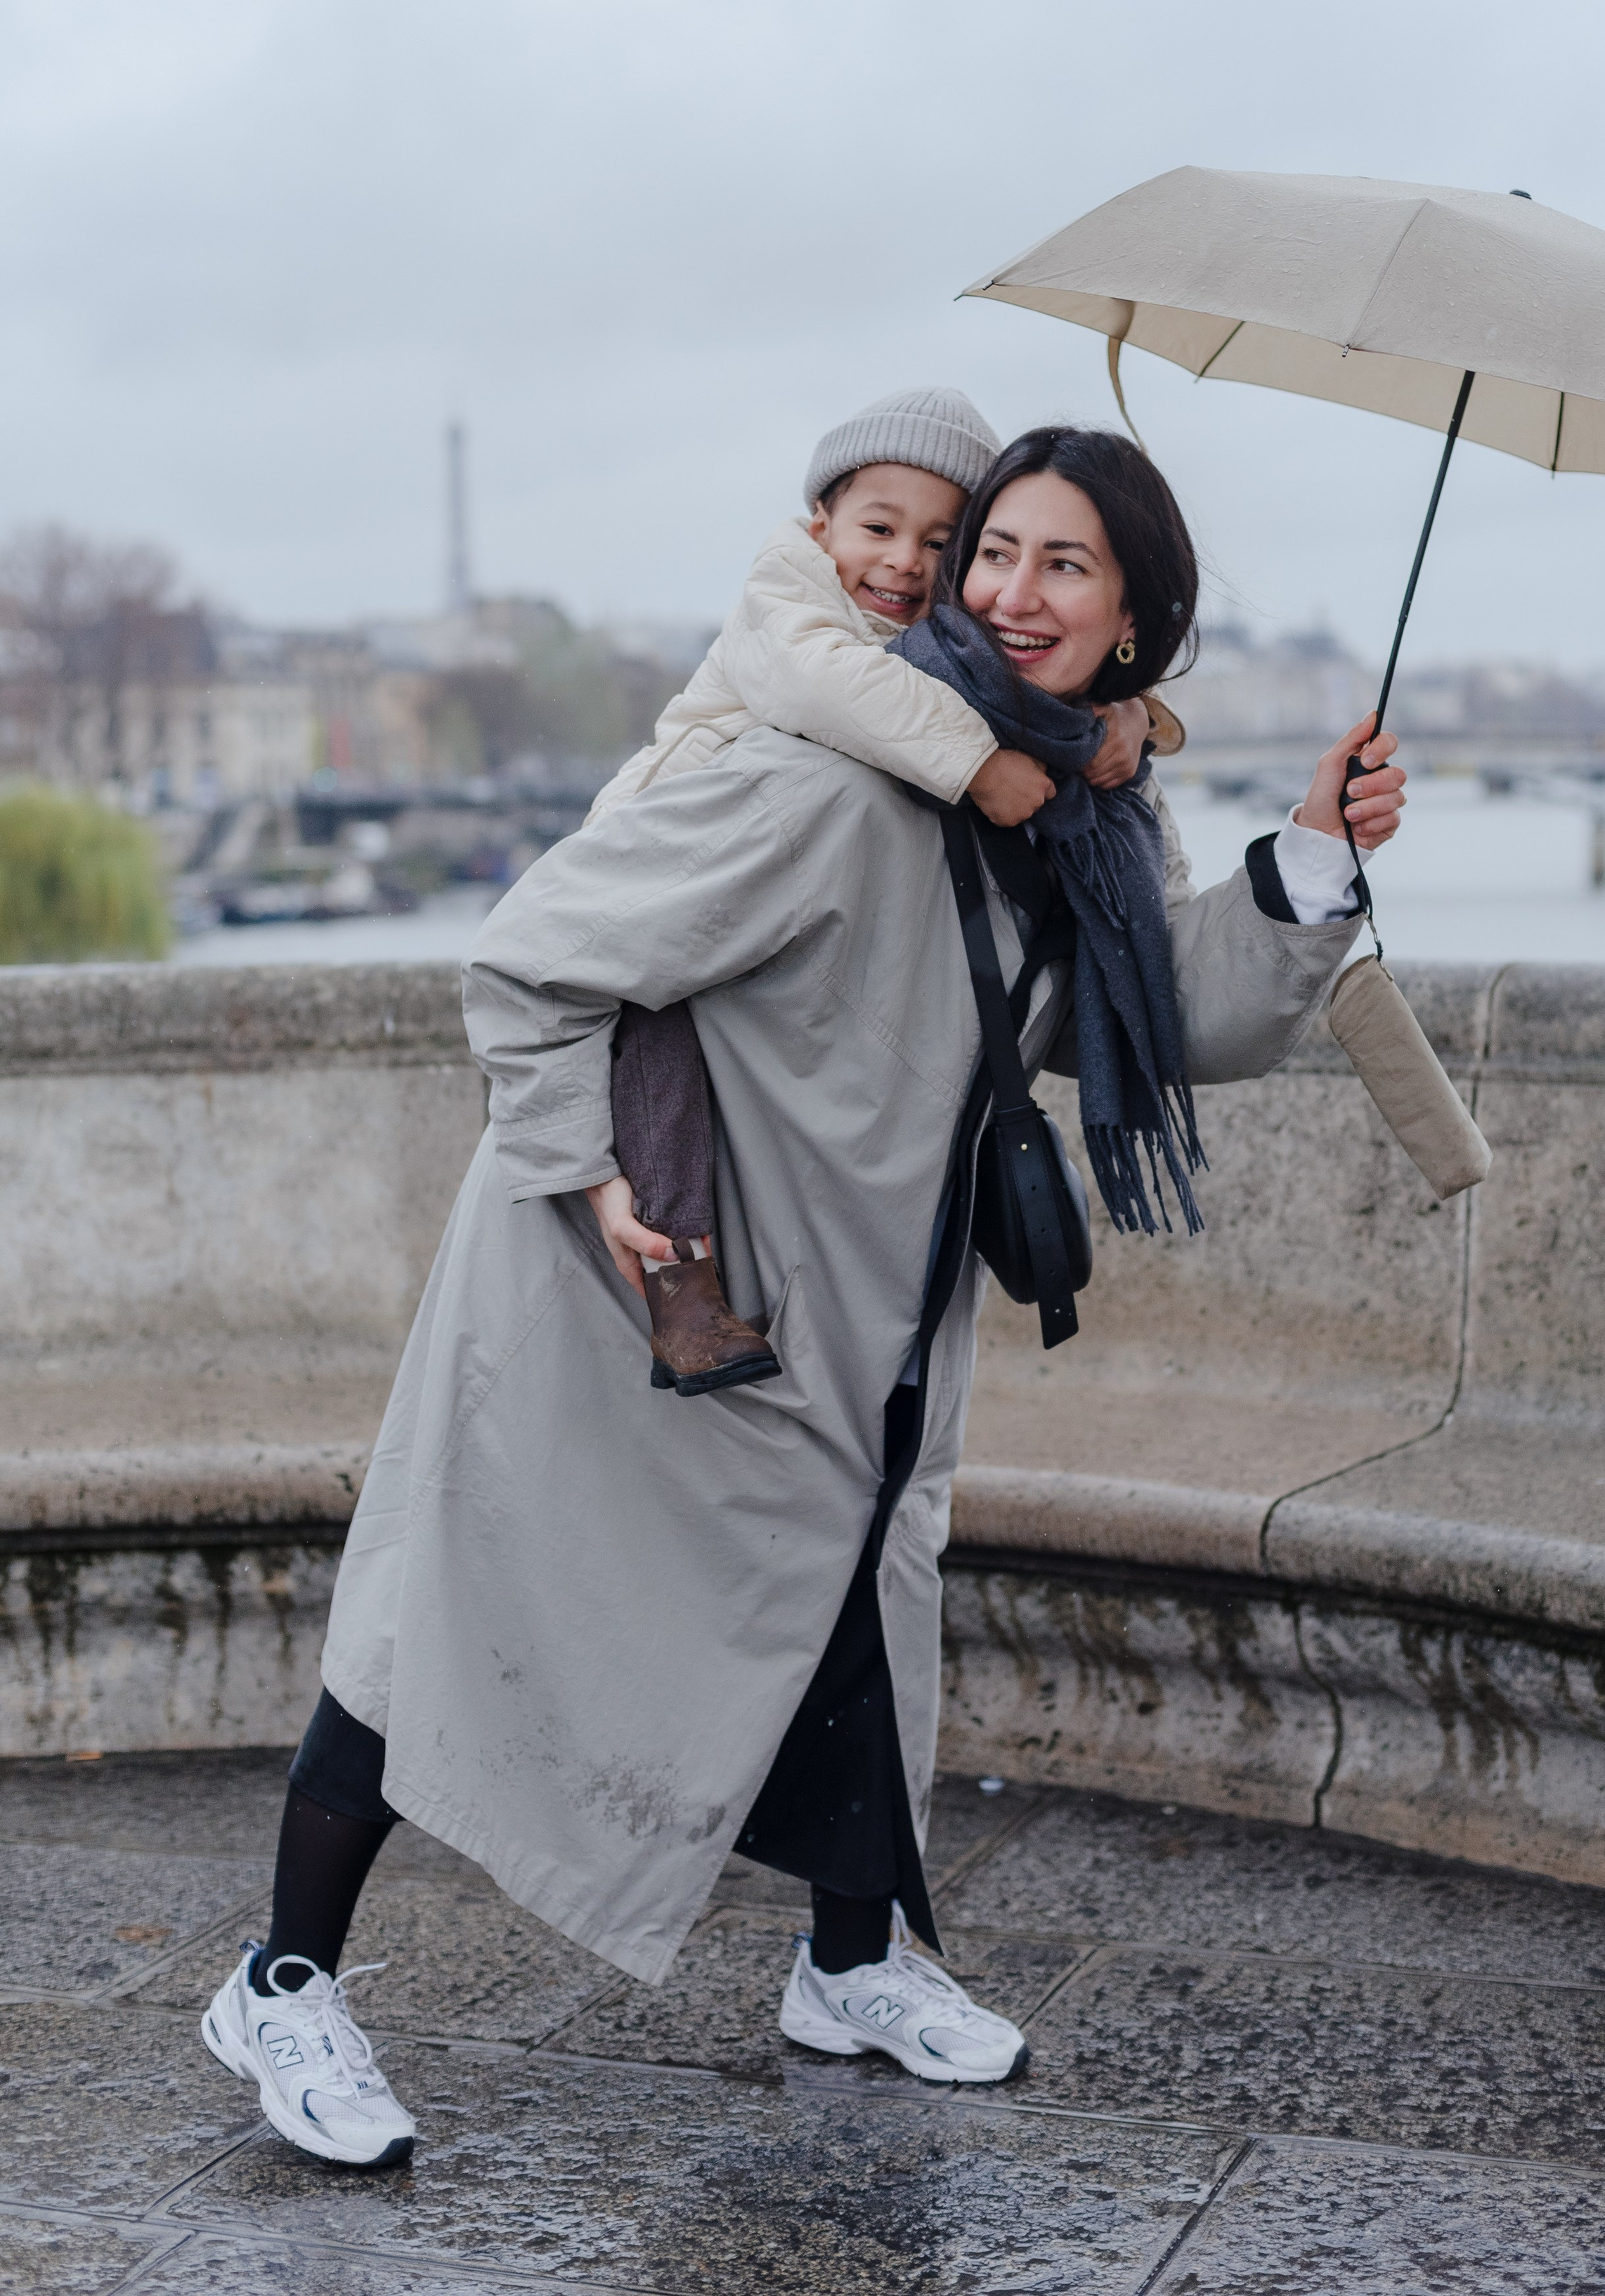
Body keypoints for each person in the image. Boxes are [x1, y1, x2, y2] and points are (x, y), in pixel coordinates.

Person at [200, 420, 1405, 2167]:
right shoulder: (825, 774)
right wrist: (584, 1163)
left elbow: (1150, 1014)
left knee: (861, 1607)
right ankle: (281, 1979)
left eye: (1059, 565)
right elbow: (536, 952)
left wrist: (1308, 851)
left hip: (857, 1311)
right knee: (452, 1607)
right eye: (993, 551)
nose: (998, 589)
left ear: (1133, 621)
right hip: (631, 1276)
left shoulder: (1064, 813)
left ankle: (844, 1965)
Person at [592, 385, 1161, 1397]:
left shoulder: (922, 646)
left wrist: (1141, 720)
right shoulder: (791, 595)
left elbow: (996, 694)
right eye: (880, 529)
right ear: (820, 528)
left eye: (945, 544)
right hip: (664, 863)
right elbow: (833, 686)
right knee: (660, 1070)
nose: (906, 561)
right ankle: (682, 1283)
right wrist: (982, 768)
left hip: (746, 894)